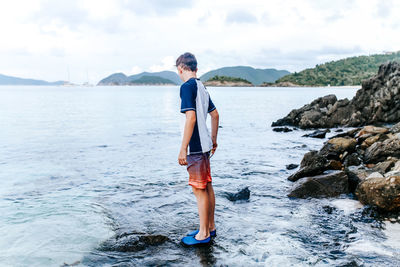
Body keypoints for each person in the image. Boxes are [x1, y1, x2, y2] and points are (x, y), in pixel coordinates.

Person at [176, 52, 219, 246]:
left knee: (199, 189)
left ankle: (203, 234)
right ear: (196, 69)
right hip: (205, 146)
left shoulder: (186, 87)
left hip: (194, 147)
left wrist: (182, 148)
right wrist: (214, 140)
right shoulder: (202, 86)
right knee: (207, 185)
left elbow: (191, 118)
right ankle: (210, 226)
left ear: (180, 69)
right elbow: (215, 115)